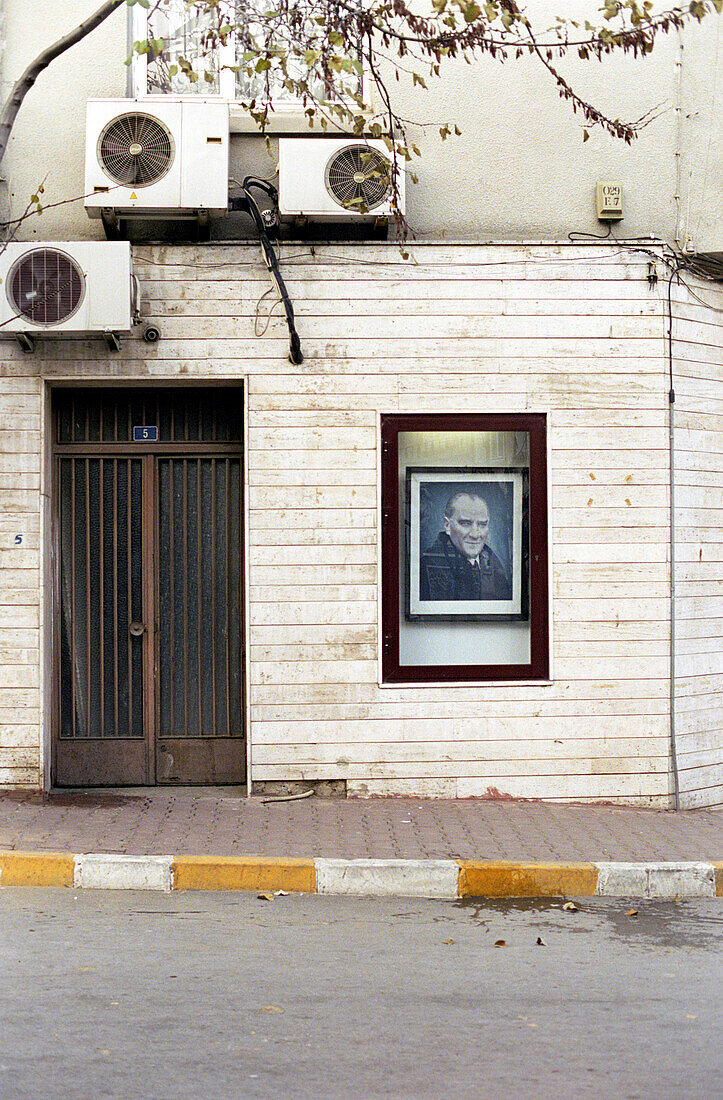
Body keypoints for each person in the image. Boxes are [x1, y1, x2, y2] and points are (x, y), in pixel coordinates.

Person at [419, 491, 512, 602]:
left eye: (482, 524)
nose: (475, 535)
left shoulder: (493, 562)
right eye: (465, 523)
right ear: (447, 525)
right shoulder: (427, 566)